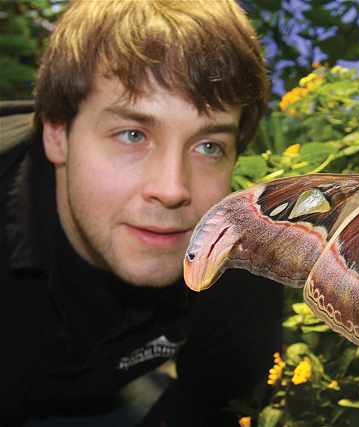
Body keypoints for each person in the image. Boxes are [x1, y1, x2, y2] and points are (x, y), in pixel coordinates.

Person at [0, 1, 283, 426]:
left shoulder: (235, 252)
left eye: (208, 146)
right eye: (133, 135)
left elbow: (216, 402)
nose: (172, 190)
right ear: (57, 132)